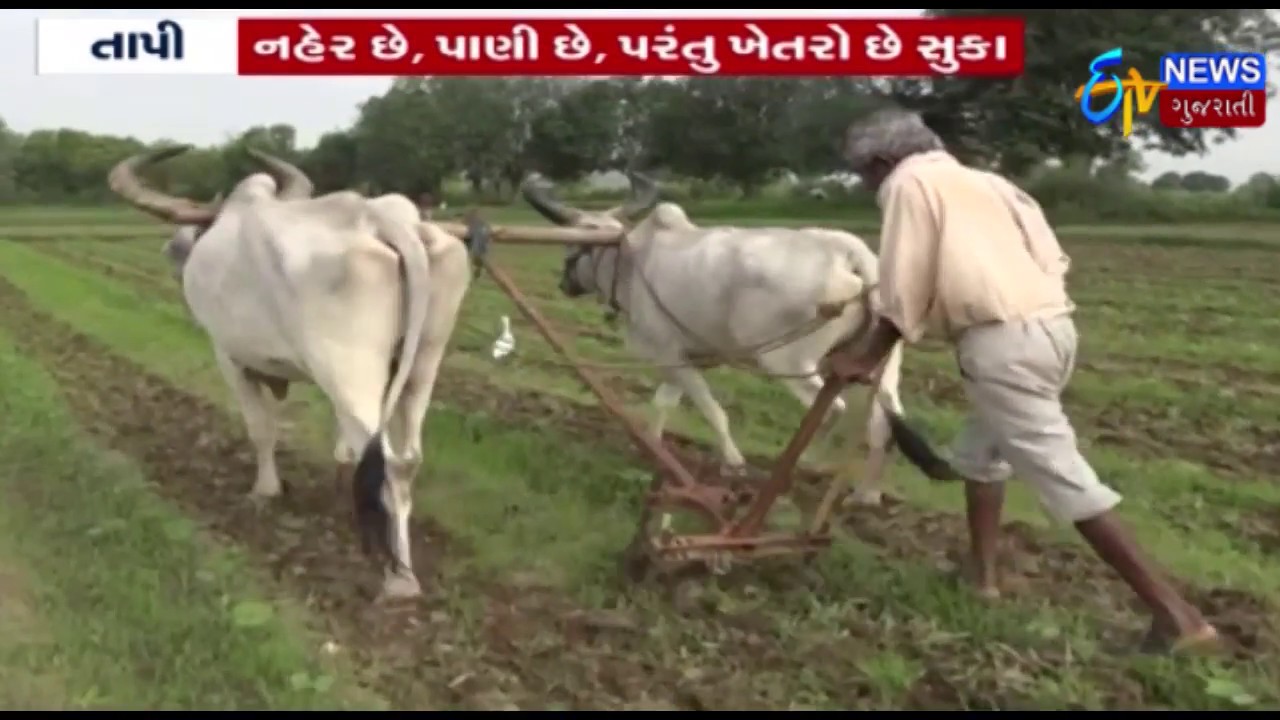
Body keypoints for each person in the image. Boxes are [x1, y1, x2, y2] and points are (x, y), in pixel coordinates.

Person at [830, 107, 1219, 654]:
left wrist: (865, 356)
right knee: (983, 451)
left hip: (1001, 345)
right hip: (1053, 328)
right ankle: (981, 577)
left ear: (883, 161)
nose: (867, 183)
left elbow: (905, 281)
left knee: (1063, 476)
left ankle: (1178, 617)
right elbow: (1050, 255)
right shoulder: (988, 182)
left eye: (864, 173)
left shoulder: (908, 183)